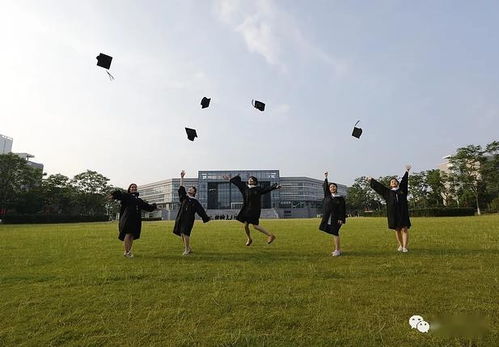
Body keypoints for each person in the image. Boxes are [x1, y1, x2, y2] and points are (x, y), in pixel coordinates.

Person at [223, 174, 281, 246]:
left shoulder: (258, 189)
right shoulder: (245, 187)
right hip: (246, 208)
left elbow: (267, 189)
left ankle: (270, 235)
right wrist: (229, 178)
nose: (250, 180)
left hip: (254, 209)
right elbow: (237, 183)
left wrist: (275, 187)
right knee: (246, 225)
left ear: (255, 182)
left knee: (255, 226)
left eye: (252, 180)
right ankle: (249, 239)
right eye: (249, 179)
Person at [367, 165, 412, 253]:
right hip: (393, 213)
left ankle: (405, 247)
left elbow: (404, 181)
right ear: (390, 184)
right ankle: (400, 245)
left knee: (404, 229)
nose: (394, 182)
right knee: (397, 229)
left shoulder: (402, 190)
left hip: (403, 212)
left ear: (397, 183)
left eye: (395, 181)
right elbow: (379, 187)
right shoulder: (387, 192)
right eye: (392, 182)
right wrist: (371, 180)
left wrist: (407, 171)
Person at [110, 183, 158, 258]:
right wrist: (114, 194)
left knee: (132, 235)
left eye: (135, 187)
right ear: (129, 189)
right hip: (128, 218)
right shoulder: (126, 196)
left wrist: (154, 206)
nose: (134, 188)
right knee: (128, 234)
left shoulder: (138, 200)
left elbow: (147, 207)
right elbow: (120, 195)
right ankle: (127, 252)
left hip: (136, 219)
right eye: (132, 187)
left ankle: (129, 251)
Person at [173, 170, 211, 255]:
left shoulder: (195, 201)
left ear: (194, 192)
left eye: (191, 189)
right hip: (181, 217)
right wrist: (182, 177)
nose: (189, 189)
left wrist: (206, 218)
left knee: (186, 233)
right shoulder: (184, 198)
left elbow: (201, 211)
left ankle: (186, 250)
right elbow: (181, 188)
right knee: (182, 233)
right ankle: (188, 248)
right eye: (189, 188)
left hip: (189, 219)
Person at [319, 172, 346, 256]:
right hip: (328, 218)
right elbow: (325, 187)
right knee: (333, 232)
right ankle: (338, 249)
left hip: (337, 218)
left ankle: (337, 250)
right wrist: (326, 177)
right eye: (331, 187)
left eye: (334, 186)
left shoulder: (340, 198)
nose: (332, 188)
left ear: (336, 188)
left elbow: (342, 209)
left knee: (335, 232)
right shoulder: (327, 196)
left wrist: (341, 219)